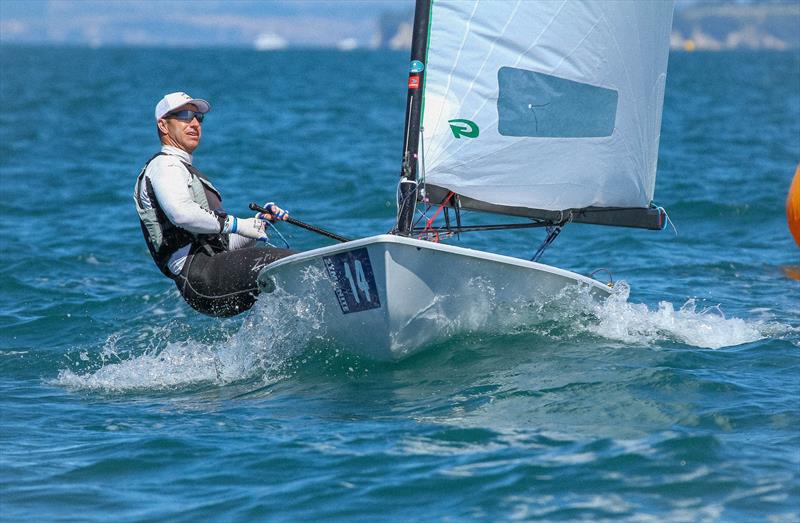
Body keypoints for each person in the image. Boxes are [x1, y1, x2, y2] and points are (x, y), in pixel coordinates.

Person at [134, 91, 293, 317]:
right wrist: (237, 224)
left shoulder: (185, 170)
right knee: (287, 264)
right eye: (184, 115)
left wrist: (257, 225)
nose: (194, 123)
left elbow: (222, 242)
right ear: (163, 125)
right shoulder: (165, 166)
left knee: (287, 271)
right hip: (199, 276)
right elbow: (182, 215)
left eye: (199, 118)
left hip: (213, 273)